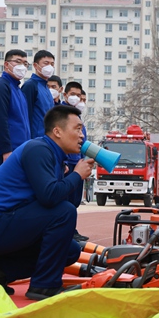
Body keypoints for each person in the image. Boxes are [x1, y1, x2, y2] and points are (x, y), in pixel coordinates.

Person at [0, 106, 95, 300]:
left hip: (8, 221)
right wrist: (76, 175)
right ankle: (44, 286)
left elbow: (60, 200)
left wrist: (72, 175)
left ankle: (0, 270)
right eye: (77, 129)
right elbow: (49, 198)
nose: (82, 136)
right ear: (57, 131)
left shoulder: (54, 156)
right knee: (64, 212)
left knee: (70, 250)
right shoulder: (39, 149)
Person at [0, 50, 31, 177]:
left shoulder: (19, 91)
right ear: (6, 65)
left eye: (26, 63)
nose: (22, 66)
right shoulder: (0, 87)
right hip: (2, 154)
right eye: (18, 62)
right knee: (2, 194)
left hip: (18, 152)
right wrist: (6, 151)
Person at [59, 81, 89, 239]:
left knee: (75, 200)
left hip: (77, 162)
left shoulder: (77, 117)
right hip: (67, 164)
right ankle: (66, 231)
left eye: (81, 97)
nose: (77, 99)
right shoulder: (61, 114)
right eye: (74, 95)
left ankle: (71, 230)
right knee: (65, 199)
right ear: (65, 95)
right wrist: (62, 161)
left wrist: (84, 161)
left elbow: (82, 143)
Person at [21, 50, 56, 137]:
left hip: (47, 138)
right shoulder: (30, 86)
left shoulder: (45, 87)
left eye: (52, 64)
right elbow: (25, 116)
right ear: (35, 65)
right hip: (35, 139)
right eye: (46, 63)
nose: (50, 67)